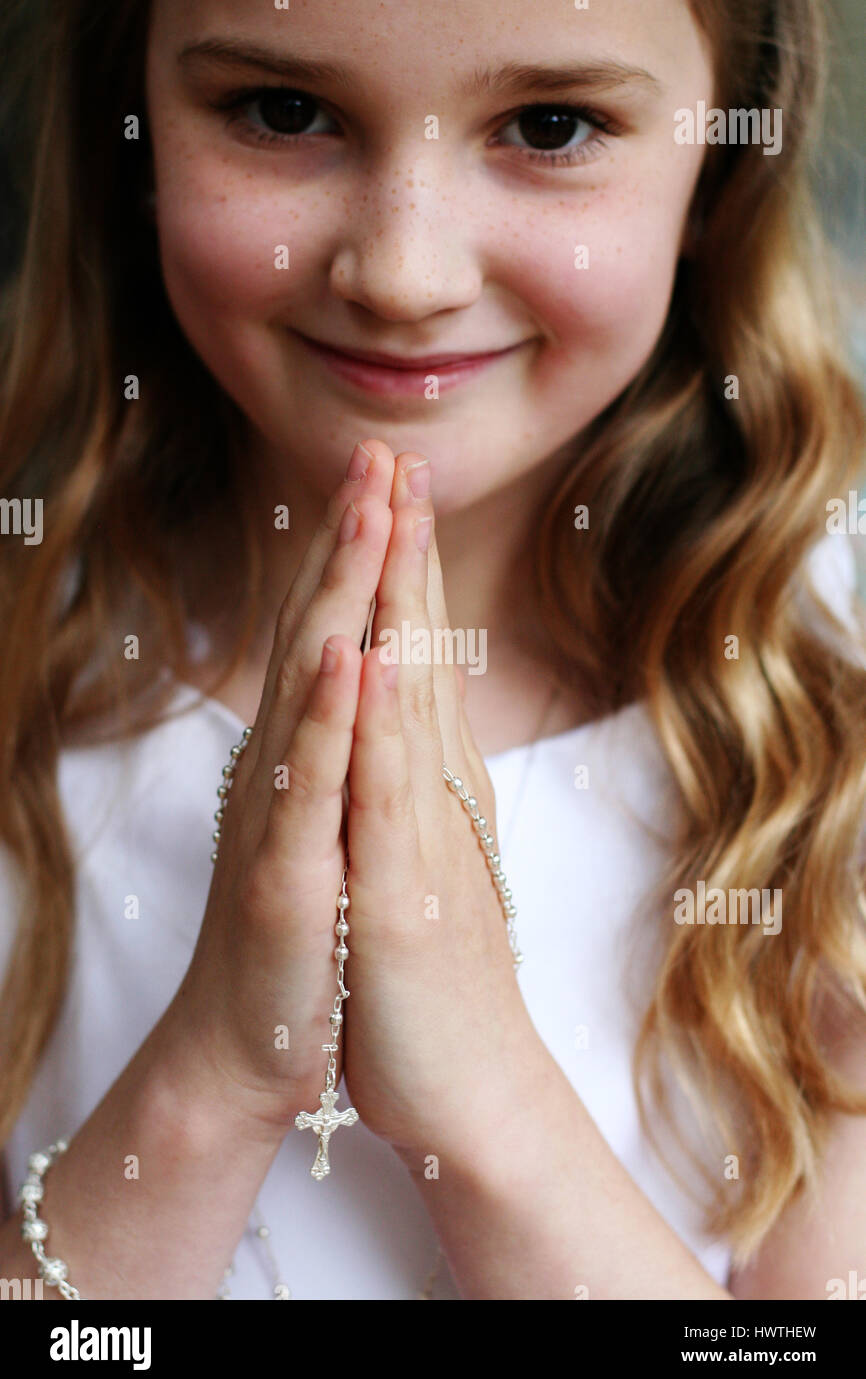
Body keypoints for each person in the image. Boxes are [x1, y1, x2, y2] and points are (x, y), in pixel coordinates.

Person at [0, 0, 864, 1301]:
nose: (402, 273)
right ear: (135, 135)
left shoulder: (831, 720)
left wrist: (484, 1099)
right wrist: (214, 1076)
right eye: (283, 112)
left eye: (550, 126)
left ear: (720, 163)